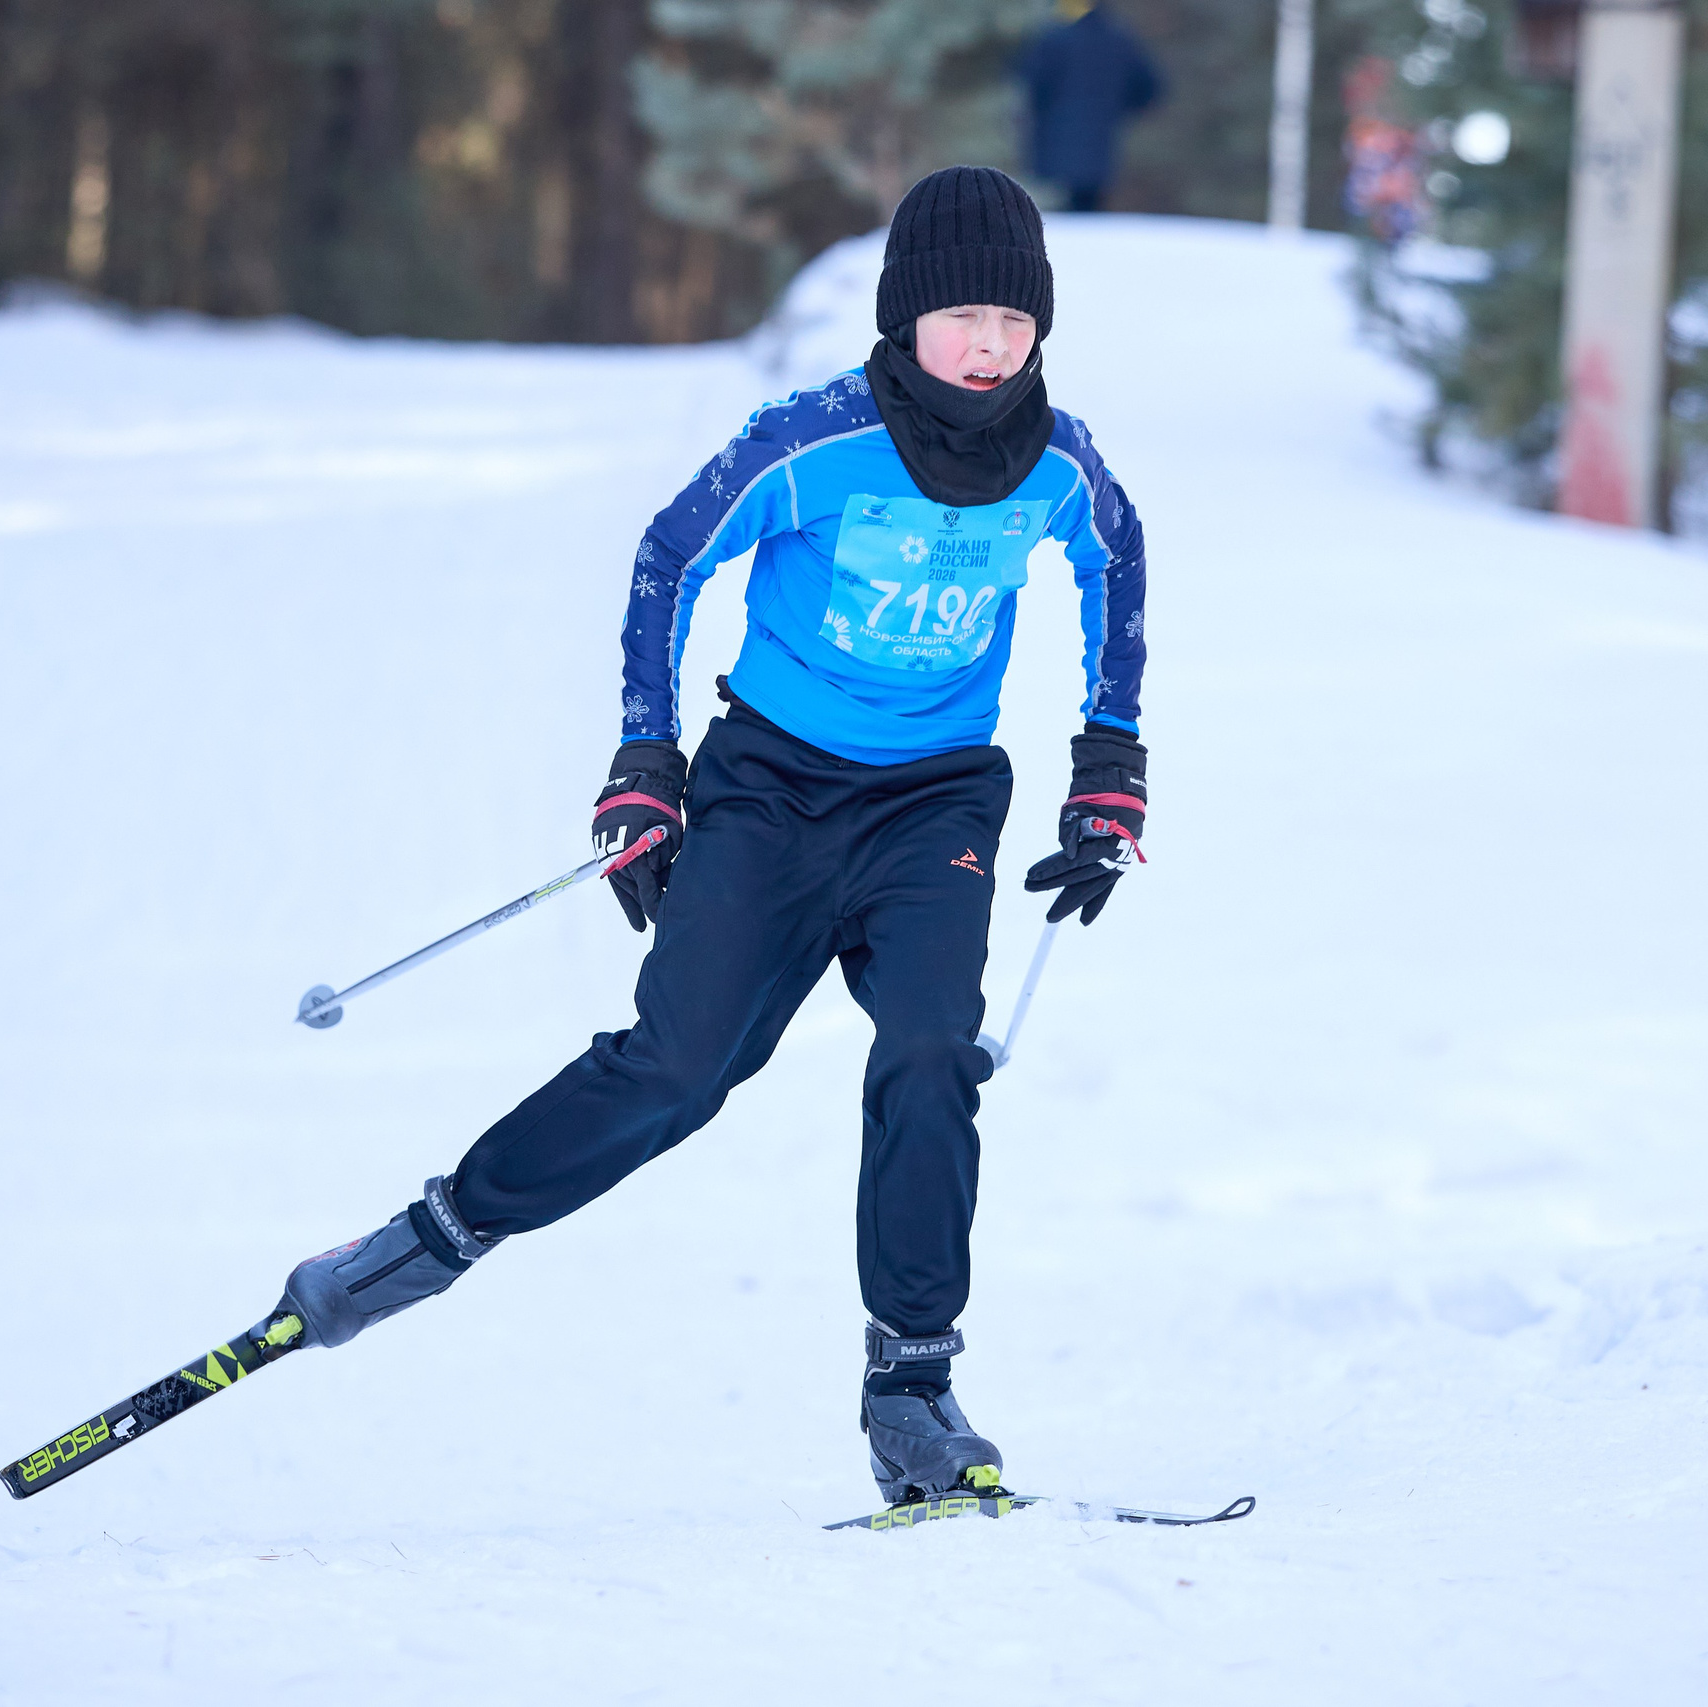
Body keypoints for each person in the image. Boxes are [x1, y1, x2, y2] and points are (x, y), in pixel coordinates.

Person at [261, 167, 1148, 1511]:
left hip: (936, 805)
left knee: (931, 1056)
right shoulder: (813, 441)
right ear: (907, 317)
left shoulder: (1060, 461)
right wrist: (645, 761)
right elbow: (668, 559)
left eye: (1015, 321)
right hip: (771, 791)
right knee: (678, 1069)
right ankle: (432, 1235)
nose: (990, 345)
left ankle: (912, 1391)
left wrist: (1110, 766)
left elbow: (1116, 560)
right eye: (964, 316)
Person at [1019, 1, 1165, 213]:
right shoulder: (1119, 39)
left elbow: (1031, 83)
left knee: (1055, 213)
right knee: (1088, 210)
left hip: (1054, 143)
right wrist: (1120, 109)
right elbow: (1149, 86)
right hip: (1099, 146)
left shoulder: (1053, 38)